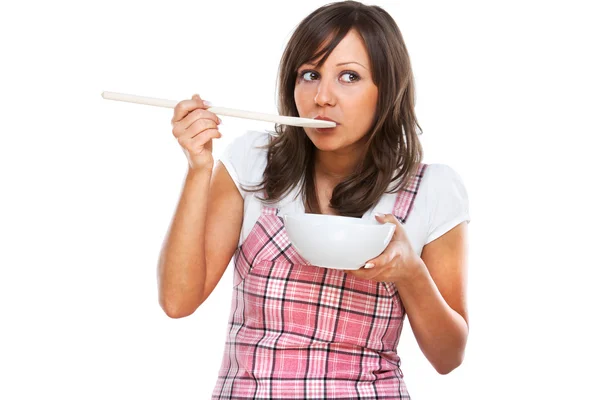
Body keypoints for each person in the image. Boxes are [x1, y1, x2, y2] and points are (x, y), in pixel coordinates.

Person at [157, 1, 470, 398]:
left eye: (349, 77)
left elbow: (448, 357)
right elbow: (177, 301)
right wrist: (198, 167)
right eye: (309, 74)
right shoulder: (252, 164)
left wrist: (410, 273)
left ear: (387, 89)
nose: (323, 97)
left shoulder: (433, 189)